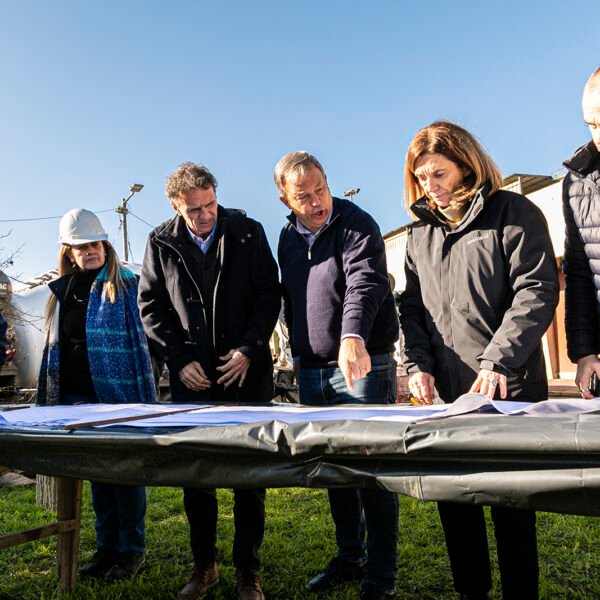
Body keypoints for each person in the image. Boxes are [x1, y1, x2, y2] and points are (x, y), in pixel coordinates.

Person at [399, 121, 559, 600]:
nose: (431, 186)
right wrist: (417, 366)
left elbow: (537, 291)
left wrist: (498, 362)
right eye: (422, 177)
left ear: (468, 164)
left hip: (507, 391)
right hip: (446, 401)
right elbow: (412, 309)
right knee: (458, 509)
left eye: (440, 174)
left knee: (512, 515)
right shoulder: (417, 237)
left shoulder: (516, 213)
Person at [138, 162, 280, 600]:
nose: (205, 215)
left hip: (246, 377)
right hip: (192, 380)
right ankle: (205, 567)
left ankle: (248, 571)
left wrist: (249, 350)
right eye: (194, 209)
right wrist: (178, 360)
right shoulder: (159, 242)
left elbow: (268, 294)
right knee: (197, 478)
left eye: (210, 204)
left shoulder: (248, 231)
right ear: (175, 205)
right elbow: (151, 306)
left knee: (248, 478)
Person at [275, 151, 400, 600]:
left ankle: (381, 577)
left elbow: (366, 282)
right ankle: (351, 558)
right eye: (303, 196)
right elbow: (291, 300)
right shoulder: (287, 238)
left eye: (320, 190)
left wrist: (352, 336)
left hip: (363, 363)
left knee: (370, 470)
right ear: (284, 198)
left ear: (328, 182)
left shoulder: (356, 223)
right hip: (311, 369)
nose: (315, 202)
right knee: (335, 469)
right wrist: (295, 352)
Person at [37, 208, 157, 581]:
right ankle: (106, 549)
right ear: (68, 251)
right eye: (81, 246)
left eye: (95, 244)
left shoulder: (126, 285)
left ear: (105, 244)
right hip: (75, 399)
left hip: (118, 396)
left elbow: (143, 343)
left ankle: (131, 551)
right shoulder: (62, 291)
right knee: (98, 478)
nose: (90, 251)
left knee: (125, 475)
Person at [563, 66, 600, 397]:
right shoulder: (578, 182)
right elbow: (578, 273)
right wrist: (585, 352)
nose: (598, 135)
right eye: (592, 124)